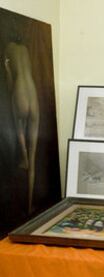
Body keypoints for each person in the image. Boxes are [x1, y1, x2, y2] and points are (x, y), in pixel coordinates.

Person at [4, 41, 40, 214]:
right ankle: (29, 206)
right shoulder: (26, 48)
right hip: (32, 93)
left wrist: (7, 70)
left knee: (17, 122)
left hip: (19, 92)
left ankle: (23, 156)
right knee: (35, 155)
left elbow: (10, 87)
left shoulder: (8, 49)